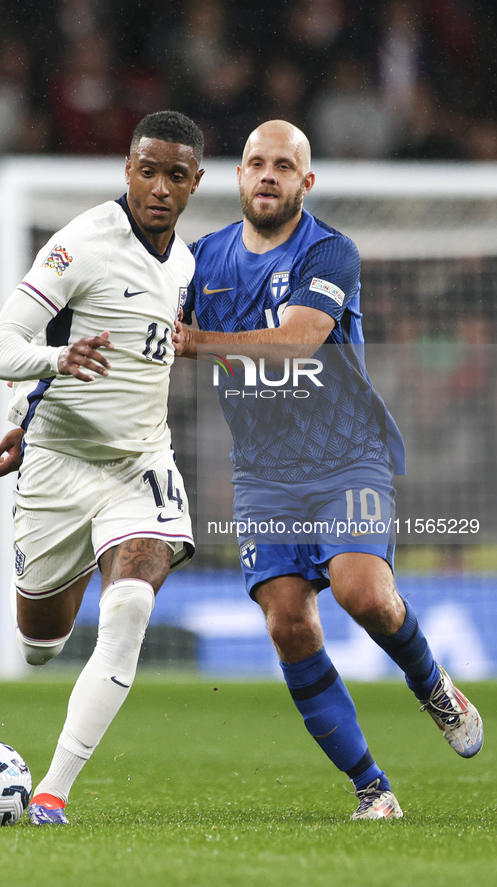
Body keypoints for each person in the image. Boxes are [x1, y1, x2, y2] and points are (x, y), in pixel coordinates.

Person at [173, 119, 483, 820]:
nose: (268, 174)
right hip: (262, 475)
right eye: (256, 162)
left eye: (284, 164)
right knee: (287, 623)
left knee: (363, 593)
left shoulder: (330, 251)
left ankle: (432, 684)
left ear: (305, 181)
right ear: (238, 175)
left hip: (348, 458)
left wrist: (196, 342)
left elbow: (298, 341)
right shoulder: (201, 261)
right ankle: (372, 787)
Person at [0, 110, 204, 825]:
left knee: (132, 601)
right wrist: (36, 394)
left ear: (194, 183)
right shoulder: (80, 245)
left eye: (174, 174)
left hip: (140, 464)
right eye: (146, 169)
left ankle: (51, 791)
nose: (158, 186)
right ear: (126, 169)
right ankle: (69, 571)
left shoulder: (186, 265)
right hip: (55, 464)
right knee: (40, 644)